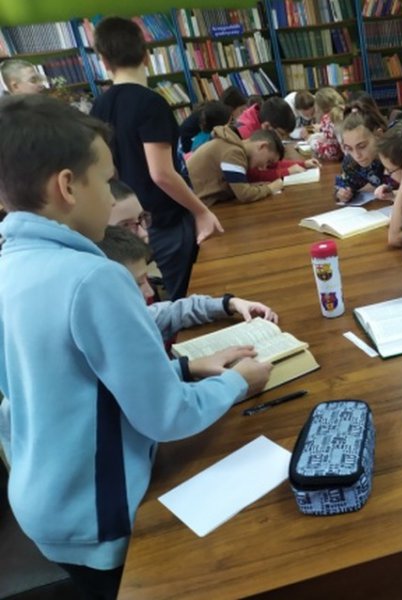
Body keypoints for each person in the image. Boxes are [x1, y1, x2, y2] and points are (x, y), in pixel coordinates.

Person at [0, 94, 271, 599]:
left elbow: (68, 385)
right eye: (105, 182)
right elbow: (167, 416)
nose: (112, 197)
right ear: (67, 186)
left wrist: (186, 368)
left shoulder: (9, 266)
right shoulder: (92, 278)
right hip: (96, 511)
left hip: (44, 500)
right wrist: (237, 382)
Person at [90, 16, 222, 300]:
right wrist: (201, 211)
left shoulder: (98, 106)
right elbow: (161, 173)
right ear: (146, 56)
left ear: (104, 61)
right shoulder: (150, 103)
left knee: (144, 293)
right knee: (183, 293)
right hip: (164, 220)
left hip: (126, 221)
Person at [98, 225, 278, 345]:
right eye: (138, 283)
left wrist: (230, 303)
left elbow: (173, 312)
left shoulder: (132, 315)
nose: (149, 292)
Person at [187, 127, 286, 206]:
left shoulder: (231, 147)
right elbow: (244, 195)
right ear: (262, 146)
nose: (264, 167)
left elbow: (234, 188)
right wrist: (270, 188)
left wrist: (255, 187)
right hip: (190, 210)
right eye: (268, 161)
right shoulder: (233, 153)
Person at [335, 102, 395, 204]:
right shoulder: (351, 162)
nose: (356, 155)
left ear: (379, 135)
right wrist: (342, 193)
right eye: (349, 148)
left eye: (362, 146)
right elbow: (343, 184)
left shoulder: (396, 152)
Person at [178, 86, 246, 154]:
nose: (243, 113)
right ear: (231, 108)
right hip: (188, 145)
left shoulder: (216, 110)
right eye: (241, 110)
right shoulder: (217, 115)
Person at [307, 86, 345, 161]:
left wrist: (313, 143)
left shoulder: (328, 119)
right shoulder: (343, 110)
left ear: (318, 107)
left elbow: (332, 153)